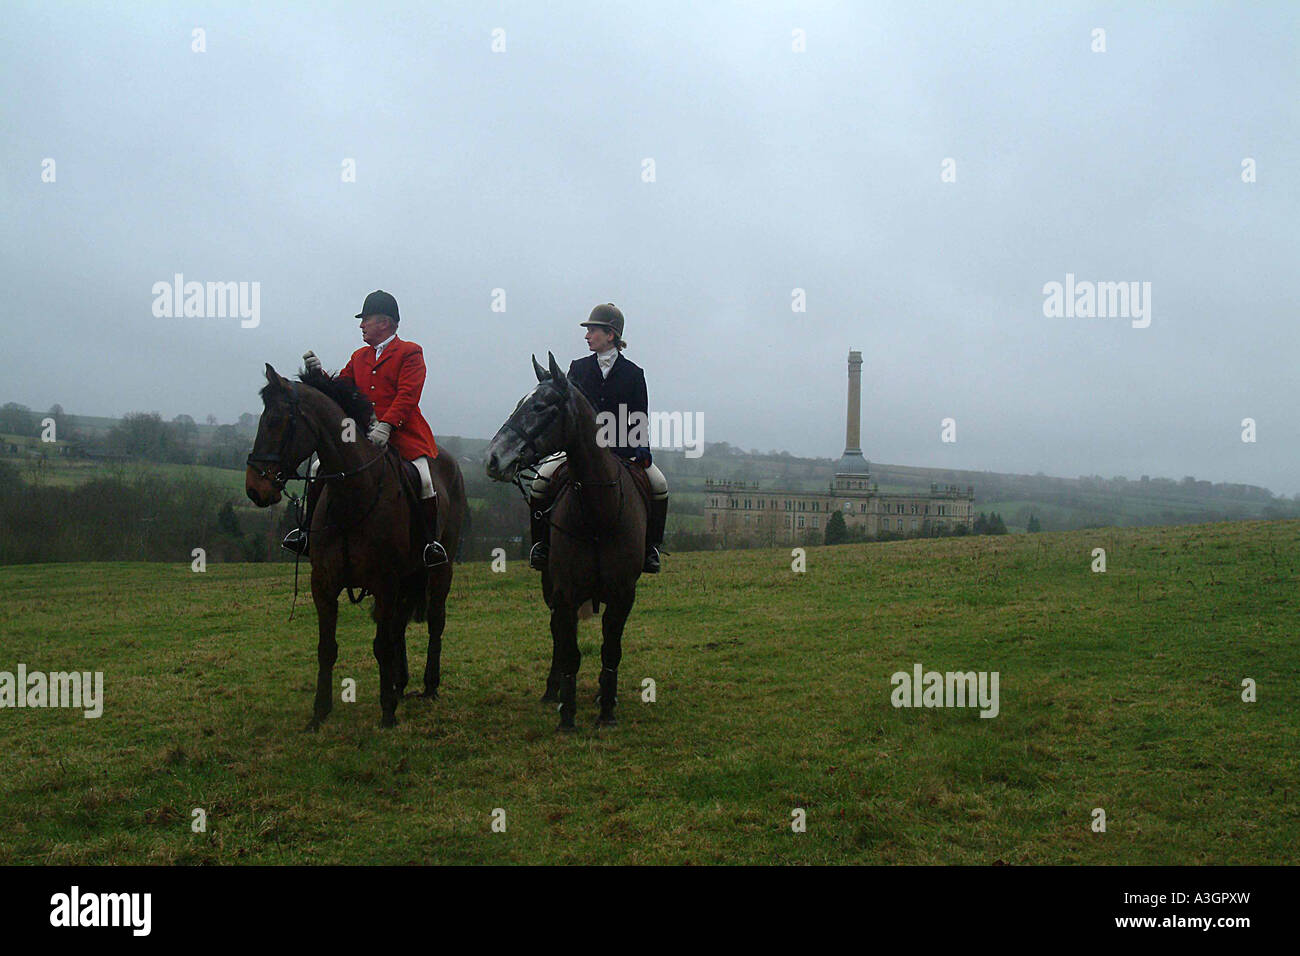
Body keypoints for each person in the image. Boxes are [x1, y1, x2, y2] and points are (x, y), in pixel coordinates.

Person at [282, 290, 448, 568]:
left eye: (365, 320)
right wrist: (317, 374)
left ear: (384, 322)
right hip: (360, 436)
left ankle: (429, 544)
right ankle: (307, 533)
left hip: (404, 435)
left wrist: (386, 425)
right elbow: (341, 390)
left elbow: (408, 395)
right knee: (317, 468)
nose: (361, 325)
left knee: (425, 479)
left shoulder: (410, 352)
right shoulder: (359, 356)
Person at [528, 303, 670, 573]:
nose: (587, 336)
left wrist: (640, 445)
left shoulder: (633, 374)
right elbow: (567, 410)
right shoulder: (578, 368)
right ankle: (541, 544)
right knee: (540, 482)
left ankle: (650, 547)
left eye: (592, 330)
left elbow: (639, 414)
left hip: (621, 450)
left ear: (611, 335)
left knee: (659, 485)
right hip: (581, 450)